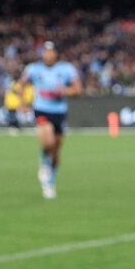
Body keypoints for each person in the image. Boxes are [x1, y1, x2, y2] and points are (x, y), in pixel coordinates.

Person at [19, 41, 81, 199]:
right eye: (45, 52)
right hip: (41, 109)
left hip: (59, 112)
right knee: (47, 141)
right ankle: (43, 164)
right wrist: (22, 103)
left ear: (56, 54)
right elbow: (22, 84)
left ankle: (50, 180)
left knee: (56, 149)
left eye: (51, 52)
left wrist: (65, 90)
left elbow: (77, 90)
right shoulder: (33, 69)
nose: (48, 55)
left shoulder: (66, 69)